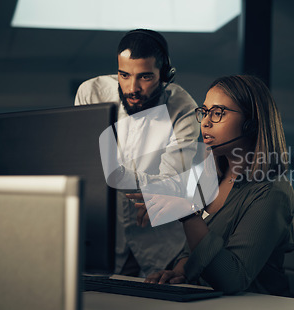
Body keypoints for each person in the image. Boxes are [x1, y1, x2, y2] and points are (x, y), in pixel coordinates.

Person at [130, 75, 294, 296]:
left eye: (218, 113)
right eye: (205, 112)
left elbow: (232, 279)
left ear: (251, 123)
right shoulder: (209, 177)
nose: (206, 122)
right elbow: (193, 250)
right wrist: (181, 271)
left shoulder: (271, 193)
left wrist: (187, 214)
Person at [74, 29, 199, 277]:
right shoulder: (92, 93)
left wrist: (114, 173)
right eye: (124, 75)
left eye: (145, 77)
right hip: (104, 237)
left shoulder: (184, 109)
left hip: (160, 243)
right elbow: (84, 167)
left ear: (165, 76)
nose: (133, 88)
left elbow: (166, 186)